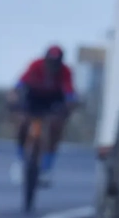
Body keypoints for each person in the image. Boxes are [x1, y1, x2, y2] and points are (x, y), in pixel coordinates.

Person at [7, 45, 77, 186]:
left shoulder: (65, 71)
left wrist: (67, 108)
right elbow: (19, 85)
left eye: (55, 63)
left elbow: (70, 95)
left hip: (52, 101)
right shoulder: (35, 65)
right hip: (33, 98)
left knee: (54, 128)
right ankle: (21, 160)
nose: (52, 66)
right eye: (50, 62)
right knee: (22, 124)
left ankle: (47, 168)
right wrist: (14, 100)